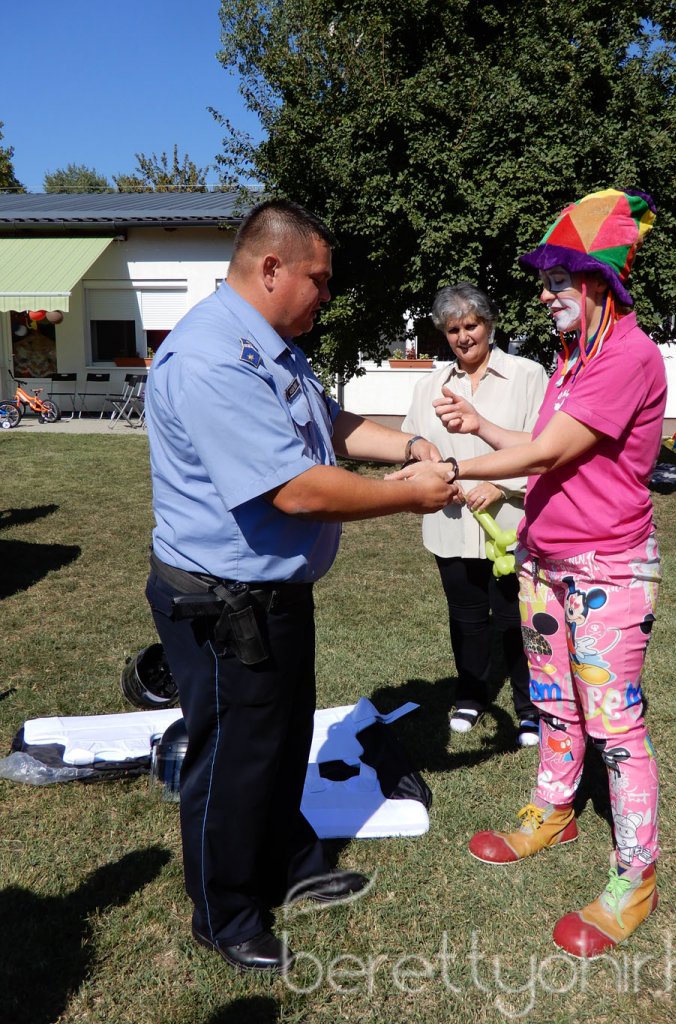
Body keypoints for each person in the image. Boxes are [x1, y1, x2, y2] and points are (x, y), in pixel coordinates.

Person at [144, 199, 459, 973]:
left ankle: (285, 858)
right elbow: (297, 490)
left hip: (271, 594)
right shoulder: (215, 358)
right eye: (318, 279)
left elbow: (330, 424)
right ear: (271, 267)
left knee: (281, 744)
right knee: (232, 760)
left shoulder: (272, 345)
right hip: (224, 604)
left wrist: (411, 443)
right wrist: (411, 493)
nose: (327, 294)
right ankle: (224, 913)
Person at [389, 189, 666, 958]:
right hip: (544, 563)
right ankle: (554, 808)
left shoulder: (627, 355)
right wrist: (481, 428)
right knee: (553, 703)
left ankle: (635, 872)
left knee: (616, 728)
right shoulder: (574, 362)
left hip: (608, 567)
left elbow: (544, 455)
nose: (542, 295)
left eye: (555, 280)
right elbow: (545, 443)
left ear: (598, 282)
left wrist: (455, 462)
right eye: (542, 281)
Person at [402, 283, 547, 739]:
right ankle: (469, 696)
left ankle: (529, 708)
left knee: (515, 619)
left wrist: (501, 486)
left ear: (489, 324)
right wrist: (429, 475)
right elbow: (416, 449)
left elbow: (545, 450)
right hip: (450, 523)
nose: (464, 336)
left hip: (510, 525)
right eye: (453, 329)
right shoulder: (430, 384)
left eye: (471, 325)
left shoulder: (528, 375)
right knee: (465, 616)